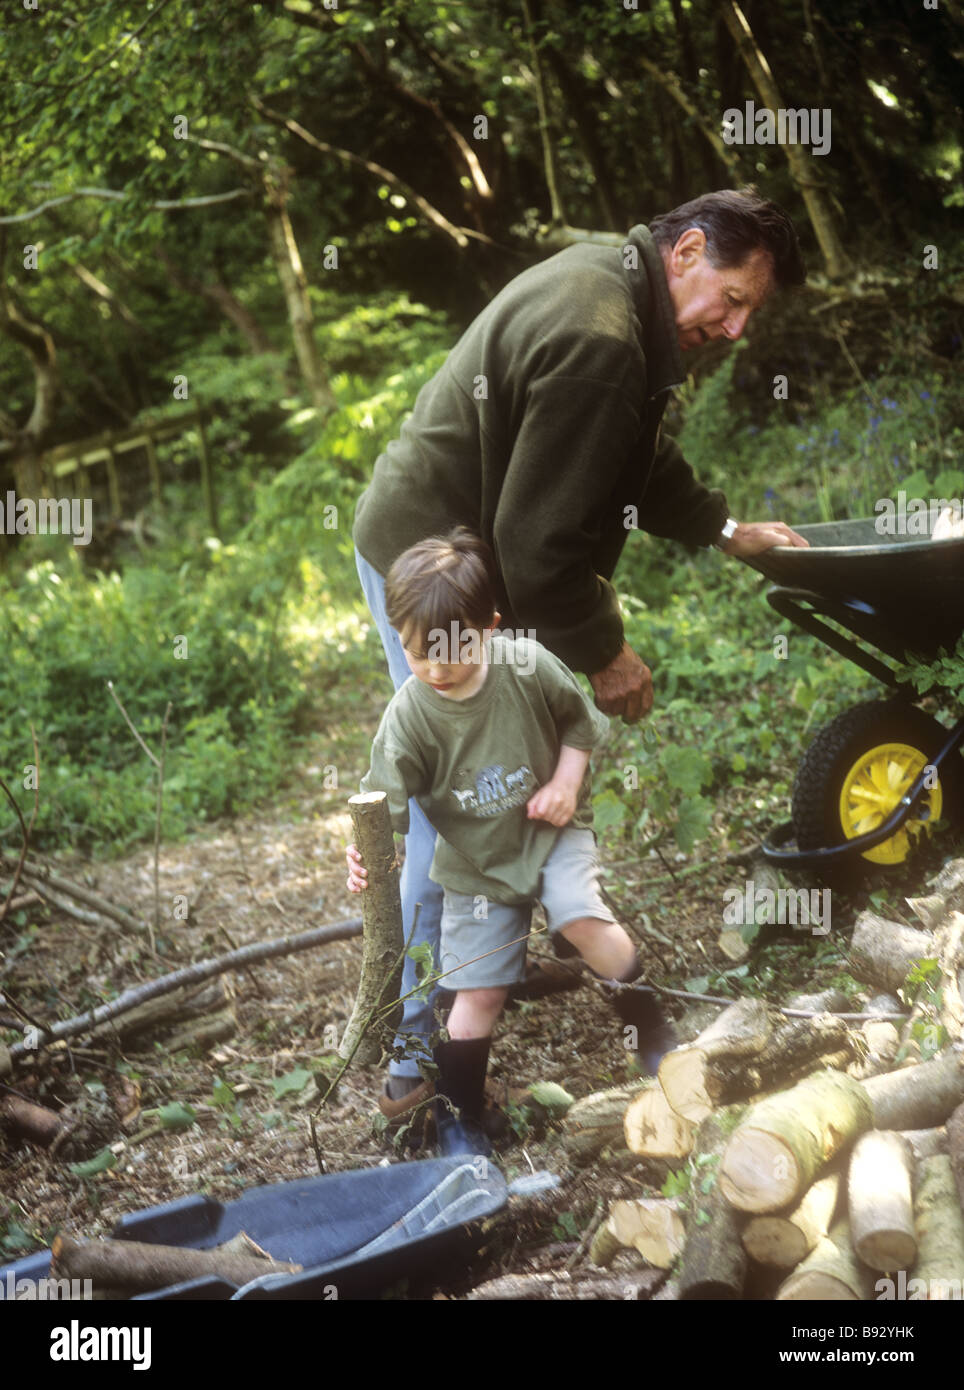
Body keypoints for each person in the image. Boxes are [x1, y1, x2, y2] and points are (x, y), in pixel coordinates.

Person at [352, 186, 810, 1117]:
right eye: (732, 297)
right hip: (431, 571)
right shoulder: (604, 336)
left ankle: (502, 946)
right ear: (686, 252)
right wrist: (608, 654)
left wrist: (723, 527)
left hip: (474, 561)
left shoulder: (623, 294)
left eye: (750, 311)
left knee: (502, 764)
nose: (736, 325)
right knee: (447, 792)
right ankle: (415, 1058)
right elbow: (536, 552)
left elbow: (634, 462)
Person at [346, 528, 675, 1155]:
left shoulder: (527, 666)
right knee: (479, 992)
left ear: (491, 626)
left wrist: (566, 783)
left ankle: (654, 1035)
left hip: (551, 834)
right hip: (477, 865)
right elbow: (380, 808)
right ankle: (458, 1122)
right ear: (398, 640)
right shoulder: (410, 714)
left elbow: (580, 724)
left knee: (580, 918)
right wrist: (364, 858)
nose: (437, 669)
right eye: (418, 654)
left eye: (453, 650)